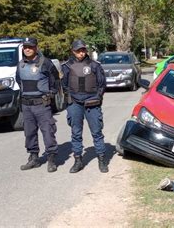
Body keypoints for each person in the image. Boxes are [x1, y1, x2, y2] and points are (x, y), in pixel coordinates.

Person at [61, 39, 108, 173]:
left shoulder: (95, 65)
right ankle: (78, 160)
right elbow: (64, 85)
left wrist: (97, 98)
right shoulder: (67, 66)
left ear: (86, 51)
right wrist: (70, 98)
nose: (81, 53)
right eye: (78, 50)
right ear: (73, 51)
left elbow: (102, 84)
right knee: (76, 133)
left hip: (92, 103)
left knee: (97, 132)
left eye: (83, 50)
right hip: (75, 104)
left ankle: (102, 159)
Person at [16, 37, 60, 173]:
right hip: (26, 105)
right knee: (29, 133)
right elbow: (19, 80)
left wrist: (50, 94)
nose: (27, 49)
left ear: (36, 47)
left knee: (48, 132)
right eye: (25, 47)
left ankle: (51, 159)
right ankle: (33, 158)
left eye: (30, 47)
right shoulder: (20, 64)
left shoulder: (45, 63)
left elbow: (55, 81)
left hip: (42, 104)